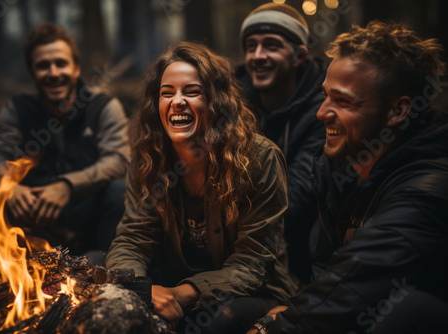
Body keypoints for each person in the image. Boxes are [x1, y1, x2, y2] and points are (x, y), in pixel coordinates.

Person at [247, 21, 448, 333]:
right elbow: (329, 271)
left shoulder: (429, 182)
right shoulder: (342, 163)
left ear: (397, 111)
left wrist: (277, 328)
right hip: (361, 309)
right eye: (325, 96)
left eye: (342, 101)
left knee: (407, 307)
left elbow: (359, 279)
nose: (322, 112)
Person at [106, 41, 298, 333]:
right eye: (166, 93)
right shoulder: (148, 156)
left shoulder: (259, 158)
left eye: (192, 92)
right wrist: (140, 289)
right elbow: (133, 238)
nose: (177, 101)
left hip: (251, 293)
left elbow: (253, 265)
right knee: (98, 268)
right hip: (169, 281)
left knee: (220, 319)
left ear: (217, 101)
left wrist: (180, 294)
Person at [0, 23, 130, 255]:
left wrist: (68, 186)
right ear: (32, 73)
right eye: (43, 66)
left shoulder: (103, 107)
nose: (53, 73)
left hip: (92, 219)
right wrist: (8, 186)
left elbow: (118, 160)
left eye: (61, 63)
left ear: (76, 68)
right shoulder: (17, 109)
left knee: (118, 190)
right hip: (38, 224)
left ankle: (111, 267)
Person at [237, 3, 327, 284]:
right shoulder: (232, 100)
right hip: (234, 239)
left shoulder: (324, 108)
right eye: (251, 47)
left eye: (271, 46)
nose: (258, 56)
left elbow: (297, 197)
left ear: (299, 55)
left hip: (296, 248)